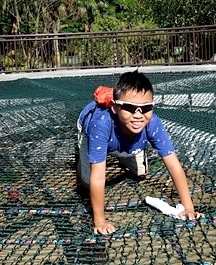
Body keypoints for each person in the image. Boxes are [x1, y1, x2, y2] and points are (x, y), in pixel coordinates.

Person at [76, 70, 201, 234]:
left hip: (128, 141)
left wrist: (188, 207)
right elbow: (98, 177)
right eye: (129, 107)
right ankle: (81, 161)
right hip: (89, 128)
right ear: (115, 107)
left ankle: (123, 152)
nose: (138, 115)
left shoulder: (152, 122)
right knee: (88, 183)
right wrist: (100, 220)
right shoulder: (100, 124)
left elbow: (173, 165)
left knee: (141, 173)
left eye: (146, 108)